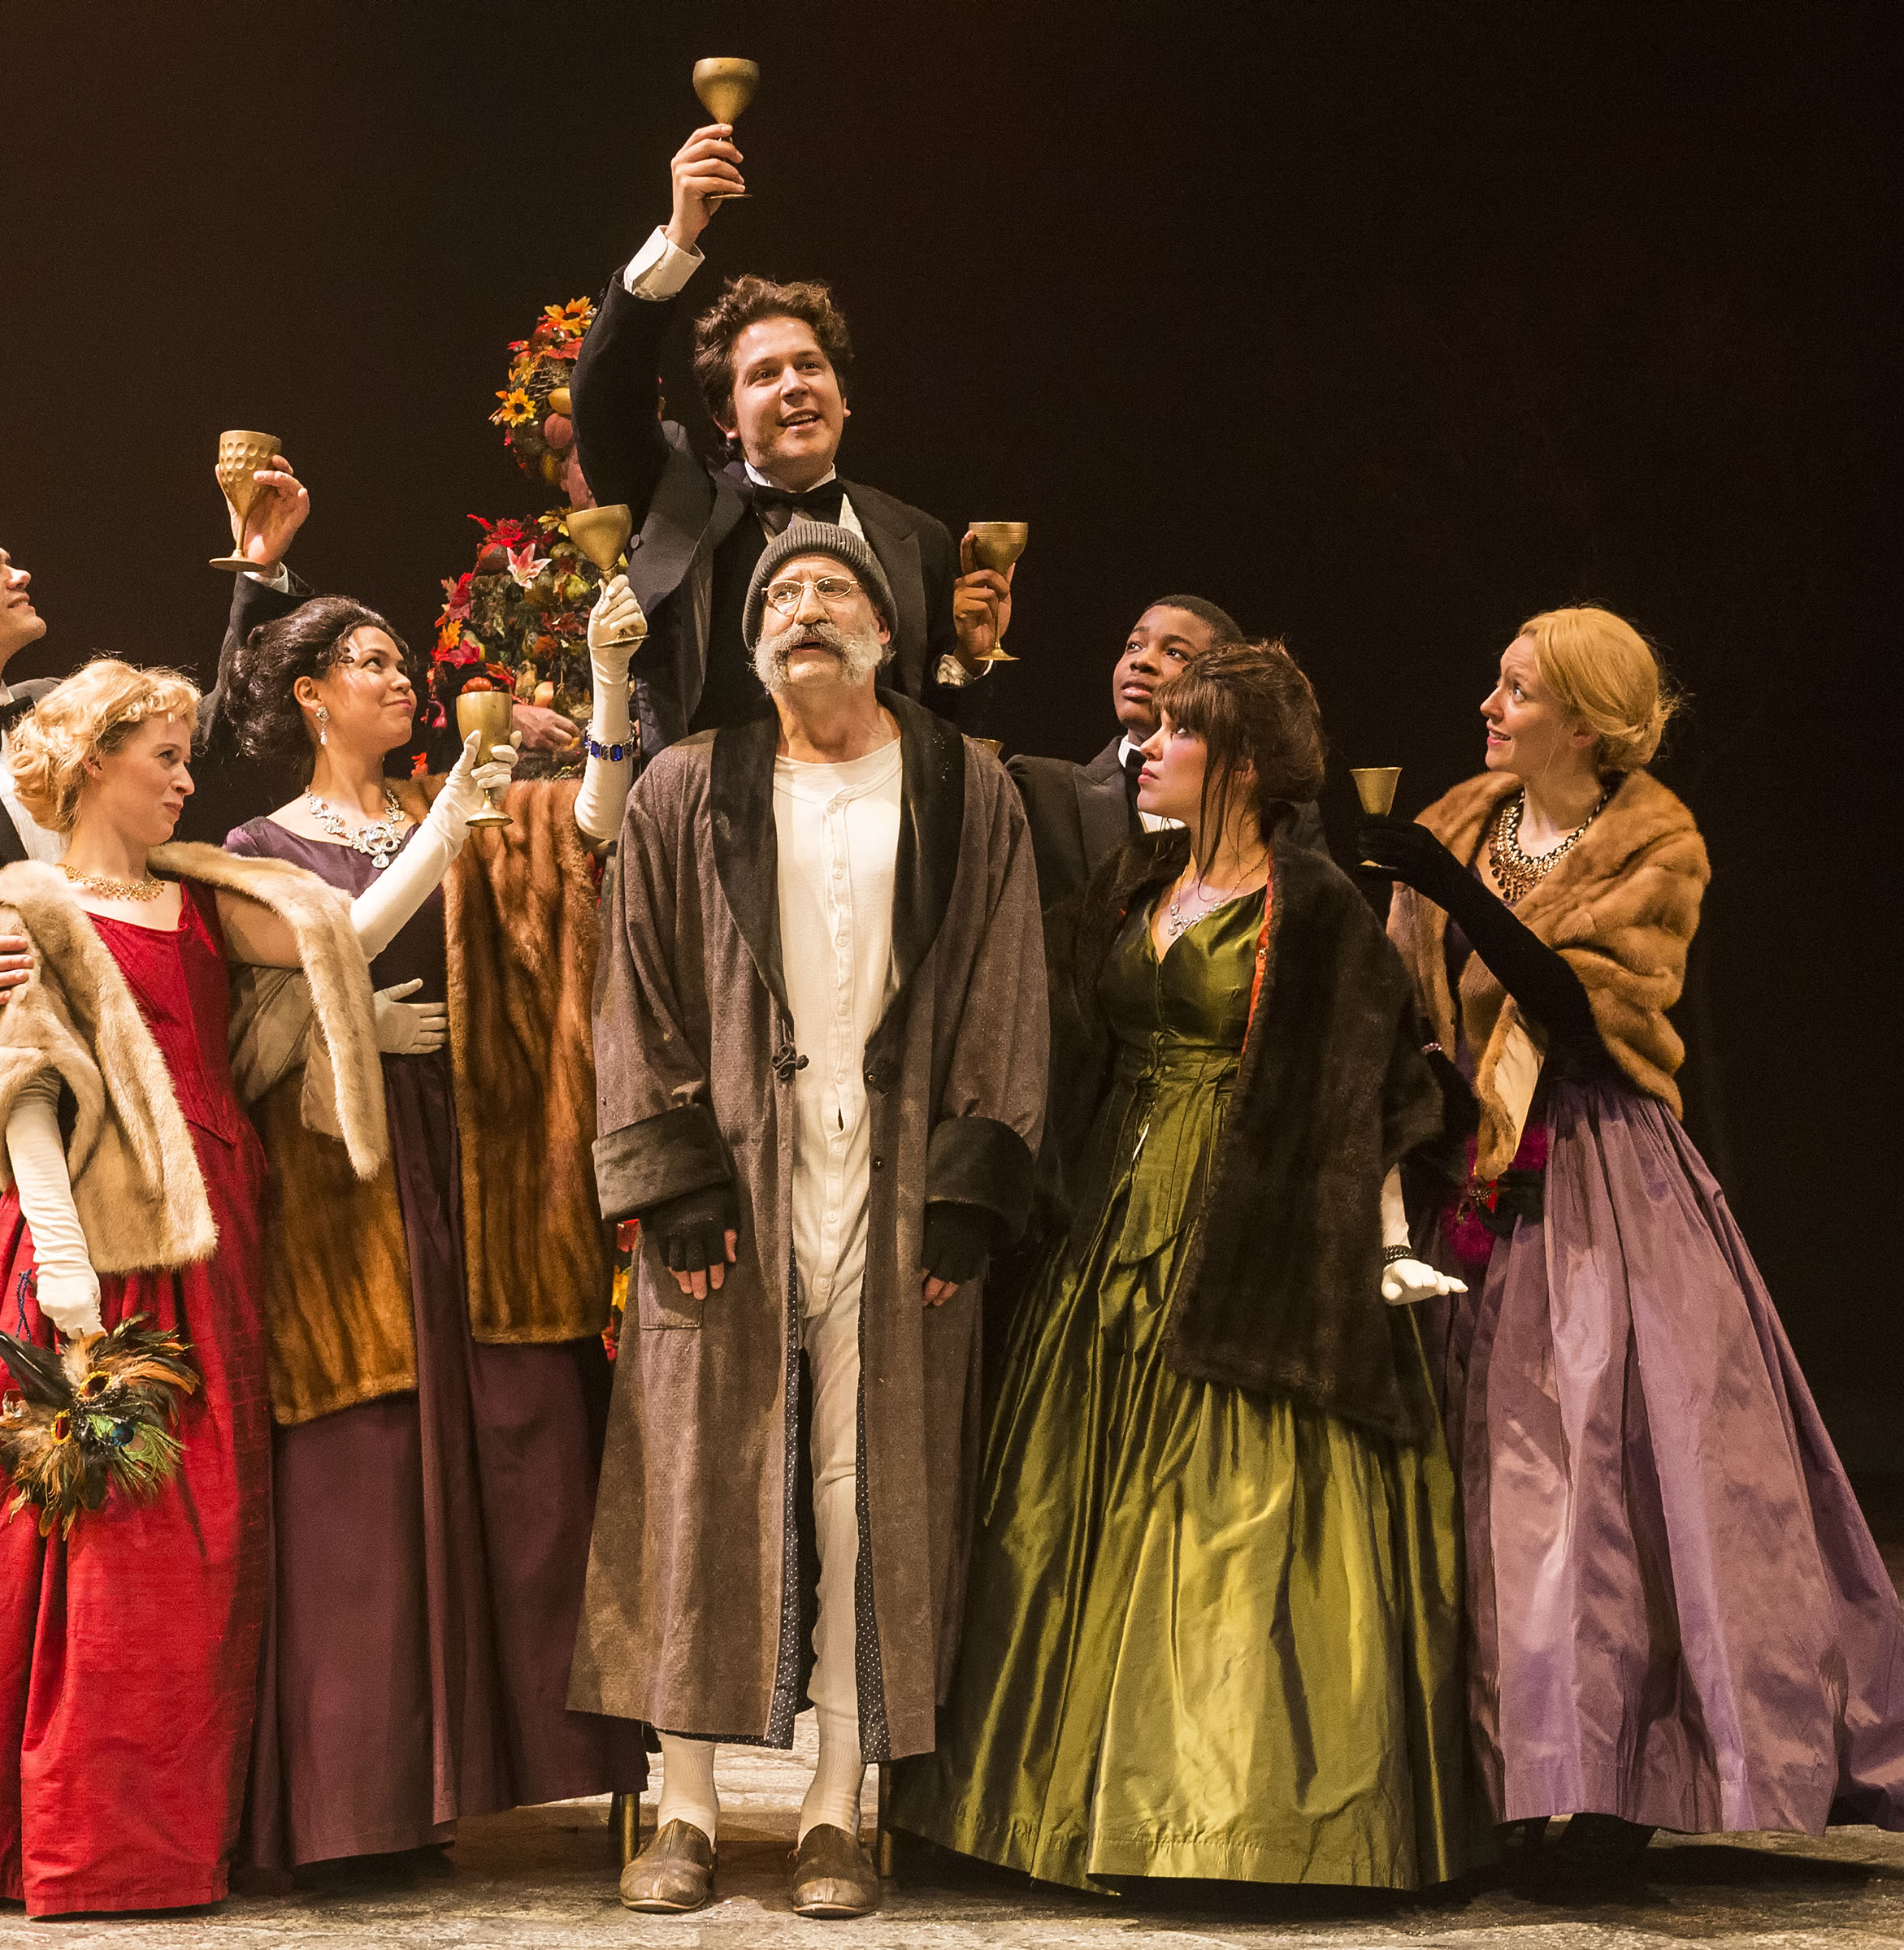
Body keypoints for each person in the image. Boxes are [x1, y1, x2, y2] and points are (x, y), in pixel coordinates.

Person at [0, 657, 510, 1915]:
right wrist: (62, 1262)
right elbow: (22, 1085)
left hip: (213, 1241)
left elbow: (339, 938)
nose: (185, 781)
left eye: (184, 758)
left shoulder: (200, 896)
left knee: (195, 1554)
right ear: (91, 761)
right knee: (71, 1544)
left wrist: (448, 818)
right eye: (163, 758)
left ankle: (165, 1825)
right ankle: (43, 1832)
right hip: (94, 1251)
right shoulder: (31, 906)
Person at [1357, 605, 1904, 1875]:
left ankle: (1613, 1784)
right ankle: (1498, 1779)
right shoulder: (1459, 817)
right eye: (1496, 684)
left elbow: (1583, 1016)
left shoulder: (1652, 840)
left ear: (1583, 721)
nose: (1489, 708)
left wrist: (1449, 889)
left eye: (1518, 691)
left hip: (1595, 1169)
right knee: (1492, 1487)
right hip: (1465, 1176)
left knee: (1604, 1473)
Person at [895, 641, 1484, 1894]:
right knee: (1070, 1496)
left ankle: (1222, 1813)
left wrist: (1376, 1247)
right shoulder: (1136, 882)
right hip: (1113, 1215)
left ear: (1245, 766)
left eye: (1177, 733)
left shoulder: (1312, 908)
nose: (1146, 748)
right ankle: (1044, 1805)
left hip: (1250, 1221)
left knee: (1229, 1507)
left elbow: (1369, 1093)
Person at [574, 524, 1047, 1919]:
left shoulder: (965, 786)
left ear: (887, 632)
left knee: (862, 1487)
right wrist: (672, 1176)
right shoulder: (686, 786)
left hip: (891, 1192)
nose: (803, 609)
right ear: (752, 644)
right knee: (702, 1479)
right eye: (778, 595)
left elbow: (1007, 986)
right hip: (734, 1182)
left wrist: (969, 1189)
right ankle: (690, 1807)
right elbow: (635, 984)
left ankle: (838, 1806)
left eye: (833, 589)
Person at [217, 570, 650, 1868]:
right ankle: (361, 1803)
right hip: (347, 1179)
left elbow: (589, 828)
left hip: (476, 1165)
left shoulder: (451, 804)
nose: (401, 678)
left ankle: (506, 1767)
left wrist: (609, 679)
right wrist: (362, 1017)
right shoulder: (258, 846)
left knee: (516, 1439)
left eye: (406, 661)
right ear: (311, 696)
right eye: (370, 661)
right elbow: (335, 946)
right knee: (370, 1468)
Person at [0, 479, 305, 1571]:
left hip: (104, 1127)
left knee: (96, 1402)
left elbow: (201, 730)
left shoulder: (57, 719)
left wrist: (257, 574)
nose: (19, 573)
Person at [570, 120, 1013, 759]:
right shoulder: (675, 501)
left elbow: (938, 728)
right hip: (709, 812)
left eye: (810, 366)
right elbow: (604, 396)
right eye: (764, 375)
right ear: (726, 418)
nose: (795, 386)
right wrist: (678, 238)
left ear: (843, 399)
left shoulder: (920, 539)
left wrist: (971, 661)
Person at [1004, 596, 1247, 912]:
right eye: (1134, 646)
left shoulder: (1270, 820)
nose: (1142, 661)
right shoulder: (1040, 792)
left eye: (1174, 652)